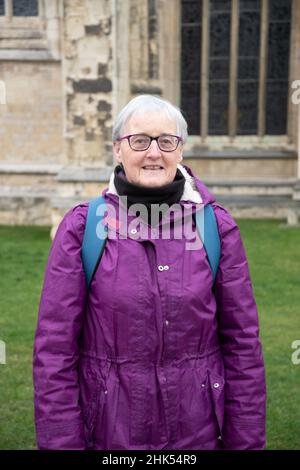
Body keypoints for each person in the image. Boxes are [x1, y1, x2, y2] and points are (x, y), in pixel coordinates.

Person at [33, 94, 266, 450]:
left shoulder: (216, 227)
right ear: (117, 149)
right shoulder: (83, 227)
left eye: (166, 141)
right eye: (139, 141)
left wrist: (246, 442)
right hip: (110, 437)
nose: (153, 153)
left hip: (197, 435)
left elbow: (243, 346)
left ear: (181, 150)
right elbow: (54, 351)